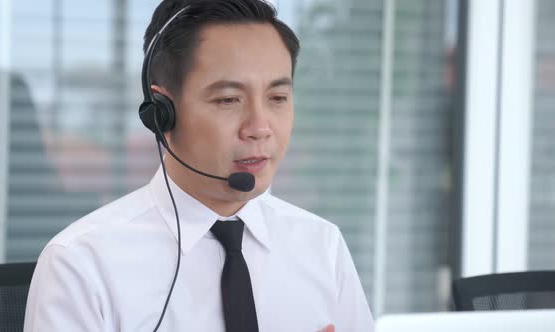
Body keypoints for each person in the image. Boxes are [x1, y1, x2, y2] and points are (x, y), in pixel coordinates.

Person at [23, 0, 374, 331]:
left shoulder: (321, 246)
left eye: (277, 98)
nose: (260, 128)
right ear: (162, 113)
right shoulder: (82, 264)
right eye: (228, 100)